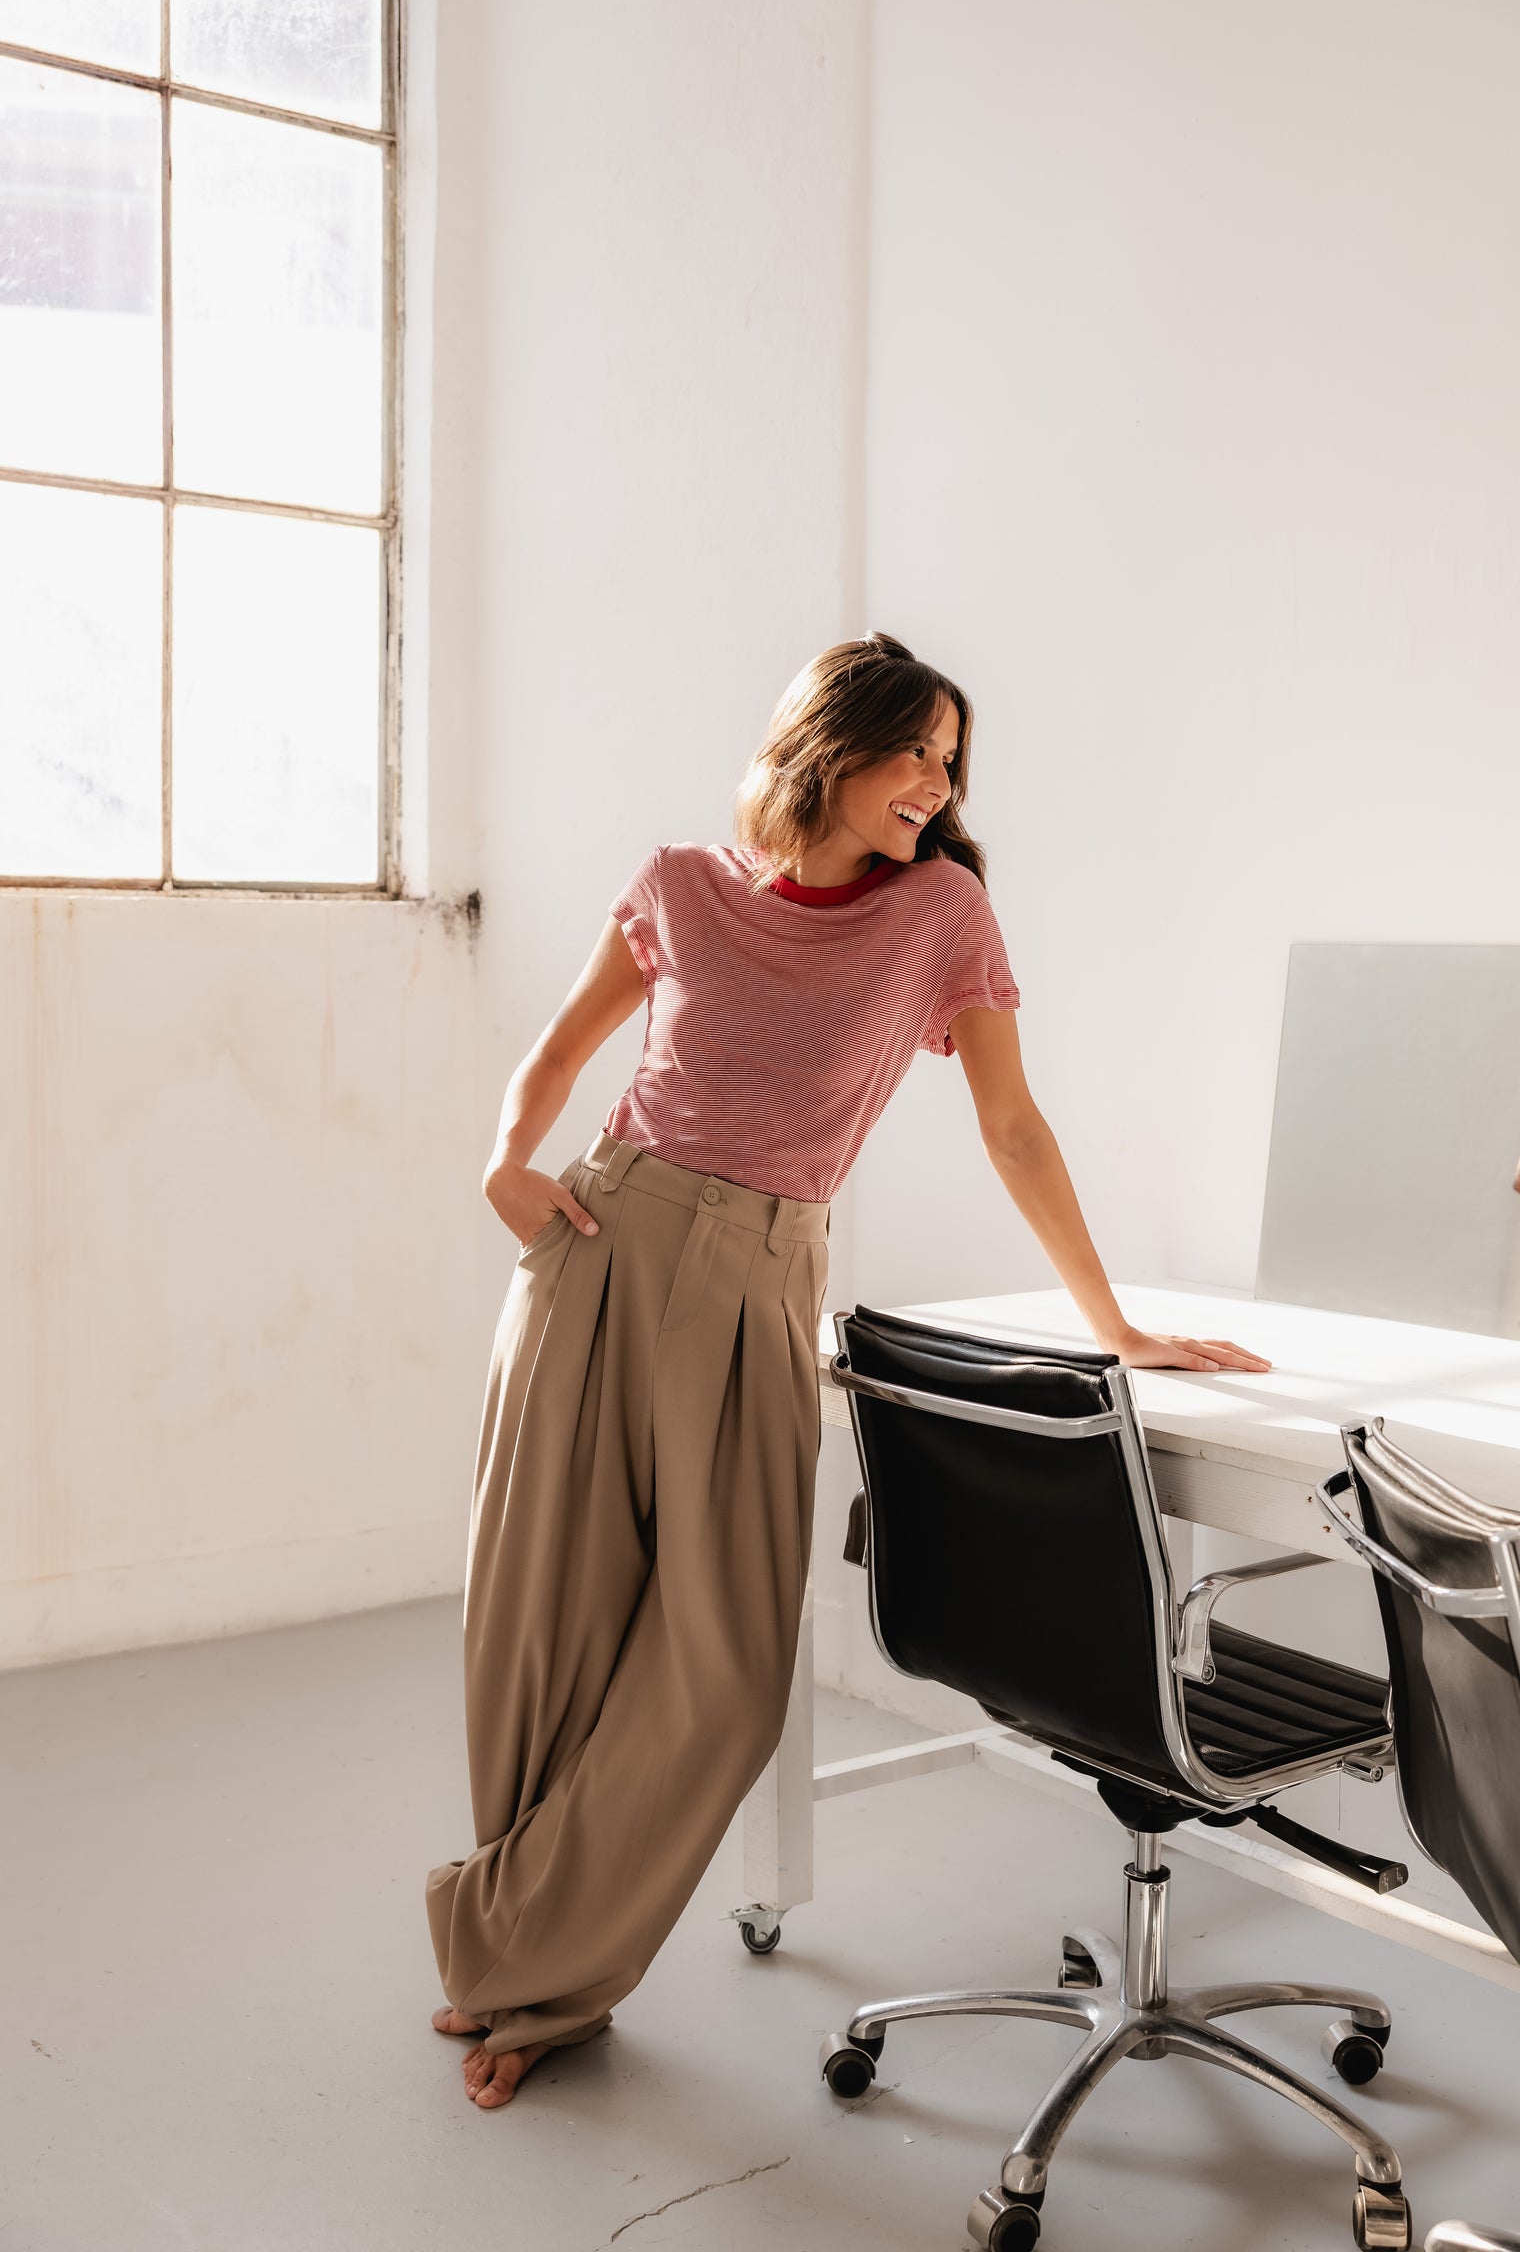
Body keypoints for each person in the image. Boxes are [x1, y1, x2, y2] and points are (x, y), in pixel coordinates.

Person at [425, 632, 1270, 2110]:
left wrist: (1116, 1324)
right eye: (916, 751)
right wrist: (503, 1161)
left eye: (953, 761)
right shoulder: (682, 884)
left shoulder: (942, 913)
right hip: (599, 1244)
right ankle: (527, 1976)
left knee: (728, 1667)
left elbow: (1013, 1127)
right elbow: (559, 1051)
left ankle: (525, 1951)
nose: (938, 785)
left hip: (763, 1274)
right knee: (542, 1619)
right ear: (832, 746)